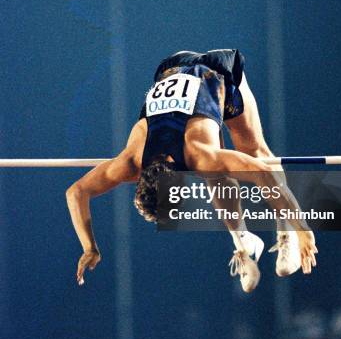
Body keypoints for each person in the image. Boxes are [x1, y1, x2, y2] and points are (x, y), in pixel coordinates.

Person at [66, 49, 317, 293]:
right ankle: (243, 245)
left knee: (255, 153)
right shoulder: (130, 162)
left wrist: (302, 228)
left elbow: (263, 173)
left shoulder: (198, 155)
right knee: (216, 175)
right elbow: (76, 192)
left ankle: (285, 232)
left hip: (217, 71)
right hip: (172, 65)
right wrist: (90, 247)